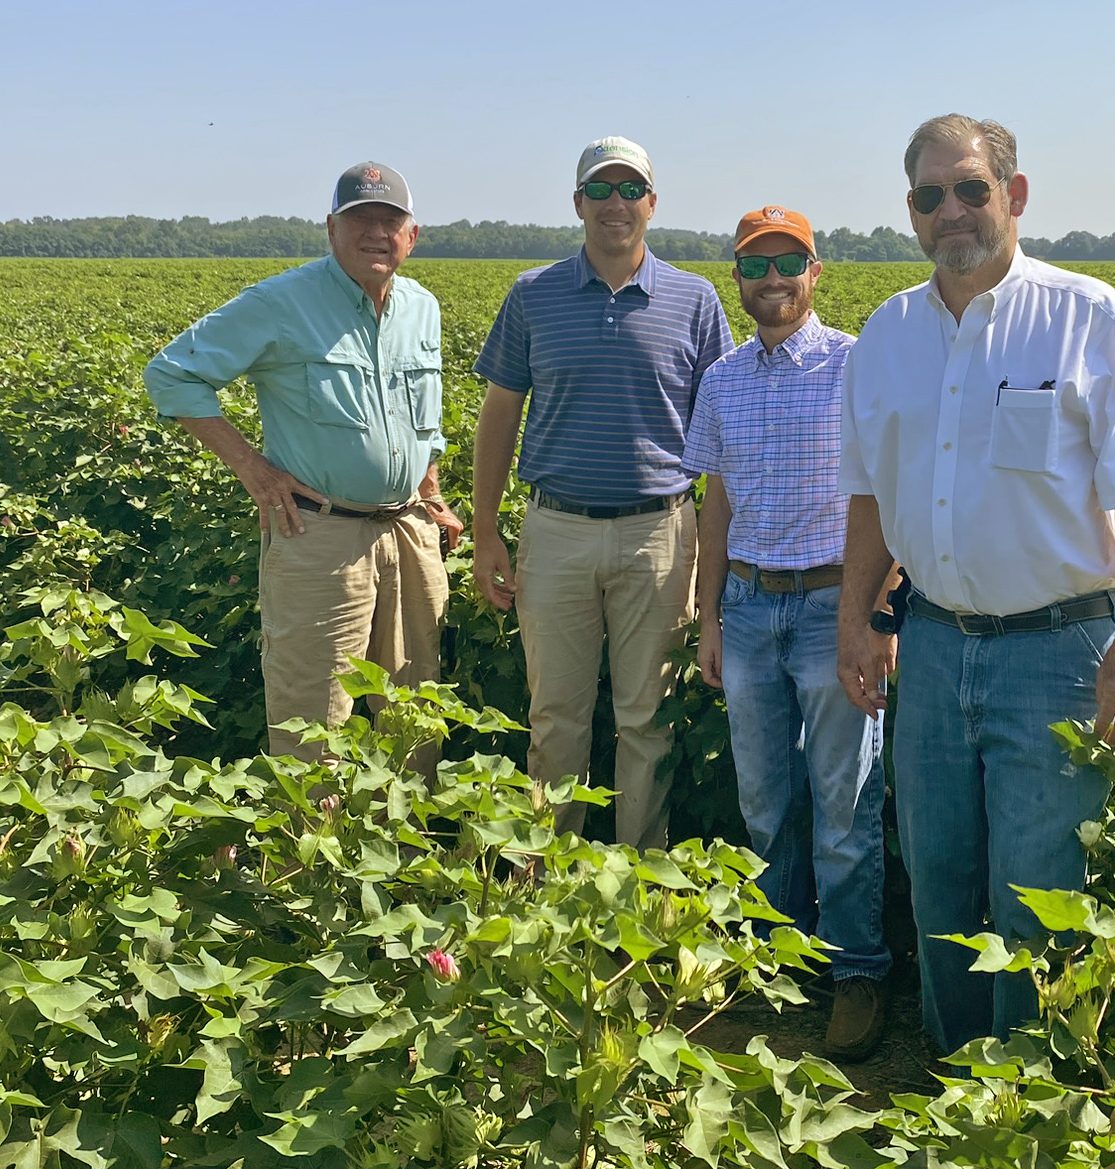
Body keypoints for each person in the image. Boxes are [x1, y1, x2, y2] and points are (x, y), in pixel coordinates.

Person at [836, 114, 1115, 1055]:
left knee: (1037, 894)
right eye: (929, 196)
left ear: (1015, 195)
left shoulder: (1089, 315)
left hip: (1058, 650)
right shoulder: (888, 333)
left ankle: (1028, 1111)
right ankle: (960, 1088)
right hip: (937, 640)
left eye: (969, 190)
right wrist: (858, 619)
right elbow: (871, 495)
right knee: (943, 879)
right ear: (911, 215)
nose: (951, 211)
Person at [144, 162, 461, 765]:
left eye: (389, 221)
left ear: (411, 235)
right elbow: (172, 374)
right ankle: (306, 858)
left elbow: (426, 417)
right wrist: (253, 470)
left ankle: (398, 856)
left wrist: (430, 488)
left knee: (415, 716)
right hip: (319, 535)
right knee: (313, 725)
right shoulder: (282, 301)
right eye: (359, 219)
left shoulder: (423, 307)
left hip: (408, 534)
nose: (376, 233)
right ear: (331, 228)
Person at [471, 136, 733, 849]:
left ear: (652, 203)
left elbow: (723, 427)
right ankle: (549, 882)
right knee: (556, 717)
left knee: (648, 719)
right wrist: (486, 528)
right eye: (600, 189)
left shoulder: (696, 300)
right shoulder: (533, 295)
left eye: (629, 190)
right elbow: (500, 412)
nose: (615, 204)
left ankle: (639, 884)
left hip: (662, 531)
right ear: (577, 202)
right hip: (556, 530)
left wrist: (716, 548)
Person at [684, 206, 891, 1060]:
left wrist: (876, 614)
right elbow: (716, 504)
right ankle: (782, 958)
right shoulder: (724, 377)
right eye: (756, 266)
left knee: (845, 803)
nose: (773, 280)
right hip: (748, 605)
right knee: (766, 801)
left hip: (830, 608)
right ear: (738, 278)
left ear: (816, 272)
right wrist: (706, 617)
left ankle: (858, 969)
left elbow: (894, 494)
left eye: (789, 263)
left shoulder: (857, 367)